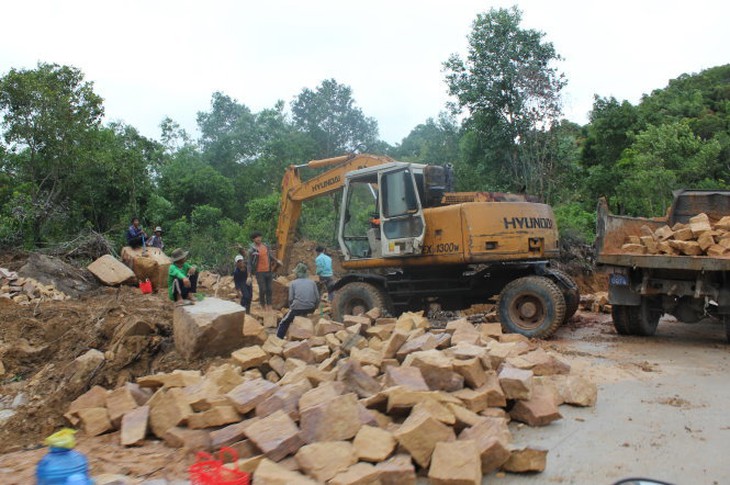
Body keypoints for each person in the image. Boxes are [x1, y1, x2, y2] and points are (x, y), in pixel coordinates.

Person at [277, 263, 319, 339]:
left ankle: (278, 339)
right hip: (310, 308)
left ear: (298, 273)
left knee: (284, 322)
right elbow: (317, 298)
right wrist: (314, 308)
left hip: (297, 308)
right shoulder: (312, 283)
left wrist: (291, 307)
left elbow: (290, 299)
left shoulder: (293, 283)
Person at [247, 231, 282, 312]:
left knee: (269, 289)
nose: (259, 238)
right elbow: (249, 263)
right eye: (257, 237)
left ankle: (269, 305)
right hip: (259, 272)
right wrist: (249, 276)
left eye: (260, 236)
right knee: (263, 289)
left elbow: (269, 256)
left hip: (268, 271)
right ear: (253, 239)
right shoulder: (251, 250)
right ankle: (262, 305)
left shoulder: (265, 246)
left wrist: (277, 260)